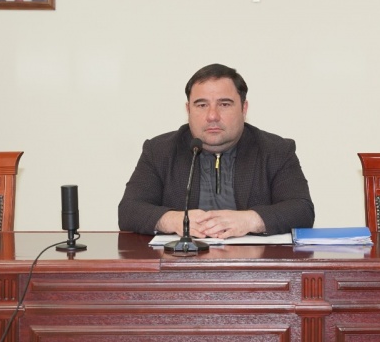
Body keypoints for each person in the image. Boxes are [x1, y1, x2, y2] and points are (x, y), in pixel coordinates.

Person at [118, 63, 315, 238]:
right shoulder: (160, 151)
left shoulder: (276, 150)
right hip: (181, 264)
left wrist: (250, 220)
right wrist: (174, 220)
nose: (212, 116)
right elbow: (129, 210)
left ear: (244, 108)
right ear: (188, 110)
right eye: (202, 105)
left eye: (224, 104)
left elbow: (302, 210)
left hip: (252, 264)